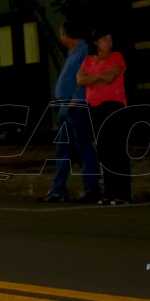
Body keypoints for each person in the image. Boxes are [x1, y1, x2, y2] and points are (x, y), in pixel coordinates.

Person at [37, 20, 102, 203]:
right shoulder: (73, 53)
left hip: (76, 106)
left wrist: (77, 98)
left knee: (83, 147)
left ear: (66, 34)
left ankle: (92, 189)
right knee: (63, 149)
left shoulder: (83, 52)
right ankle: (58, 190)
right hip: (66, 105)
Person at [77, 28, 130, 205]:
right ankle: (109, 193)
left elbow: (111, 77)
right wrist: (98, 77)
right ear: (96, 42)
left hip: (114, 106)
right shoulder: (88, 60)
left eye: (110, 39)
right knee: (104, 151)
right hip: (95, 108)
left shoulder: (117, 57)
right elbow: (80, 80)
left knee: (117, 150)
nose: (108, 43)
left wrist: (93, 78)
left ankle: (122, 193)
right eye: (104, 40)